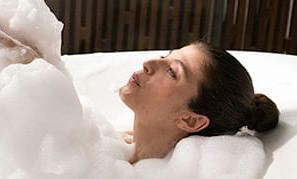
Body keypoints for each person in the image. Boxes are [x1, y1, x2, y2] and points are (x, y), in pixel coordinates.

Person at [118, 41, 280, 162]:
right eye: (164, 57)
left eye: (171, 72)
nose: (148, 63)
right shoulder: (110, 143)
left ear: (191, 120)